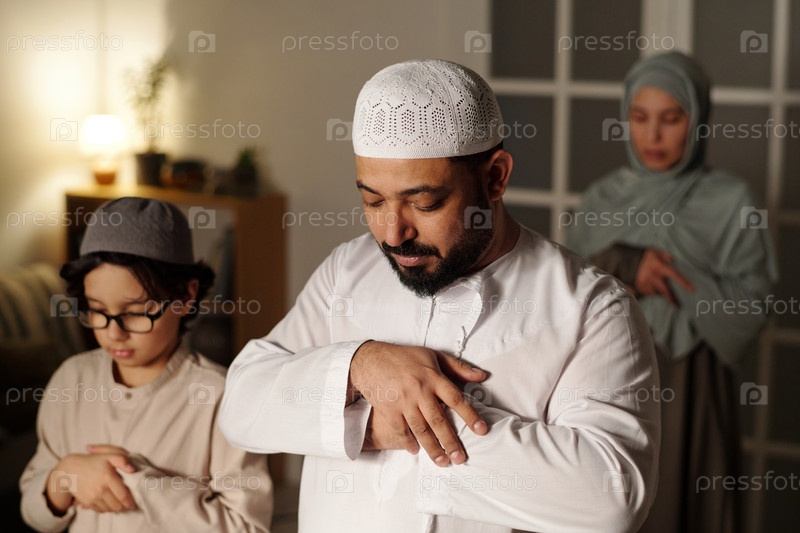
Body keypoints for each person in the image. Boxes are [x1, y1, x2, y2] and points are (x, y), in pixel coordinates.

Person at [220, 59, 660, 532]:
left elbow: (611, 497)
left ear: (495, 177)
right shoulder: (347, 269)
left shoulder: (593, 308)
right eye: (372, 200)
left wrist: (398, 418)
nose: (393, 233)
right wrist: (361, 365)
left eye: (424, 203)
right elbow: (241, 406)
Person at [566, 52, 777, 533]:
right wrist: (623, 263)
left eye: (671, 118)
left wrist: (678, 279)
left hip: (692, 388)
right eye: (640, 117)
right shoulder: (601, 199)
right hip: (604, 384)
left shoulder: (731, 202)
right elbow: (565, 297)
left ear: (698, 120)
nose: (653, 135)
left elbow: (753, 308)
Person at [19, 197, 273, 532]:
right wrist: (63, 477)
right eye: (96, 310)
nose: (113, 333)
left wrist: (139, 482)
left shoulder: (222, 398)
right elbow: (34, 512)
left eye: (136, 312)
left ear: (186, 296)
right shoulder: (71, 379)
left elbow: (246, 527)